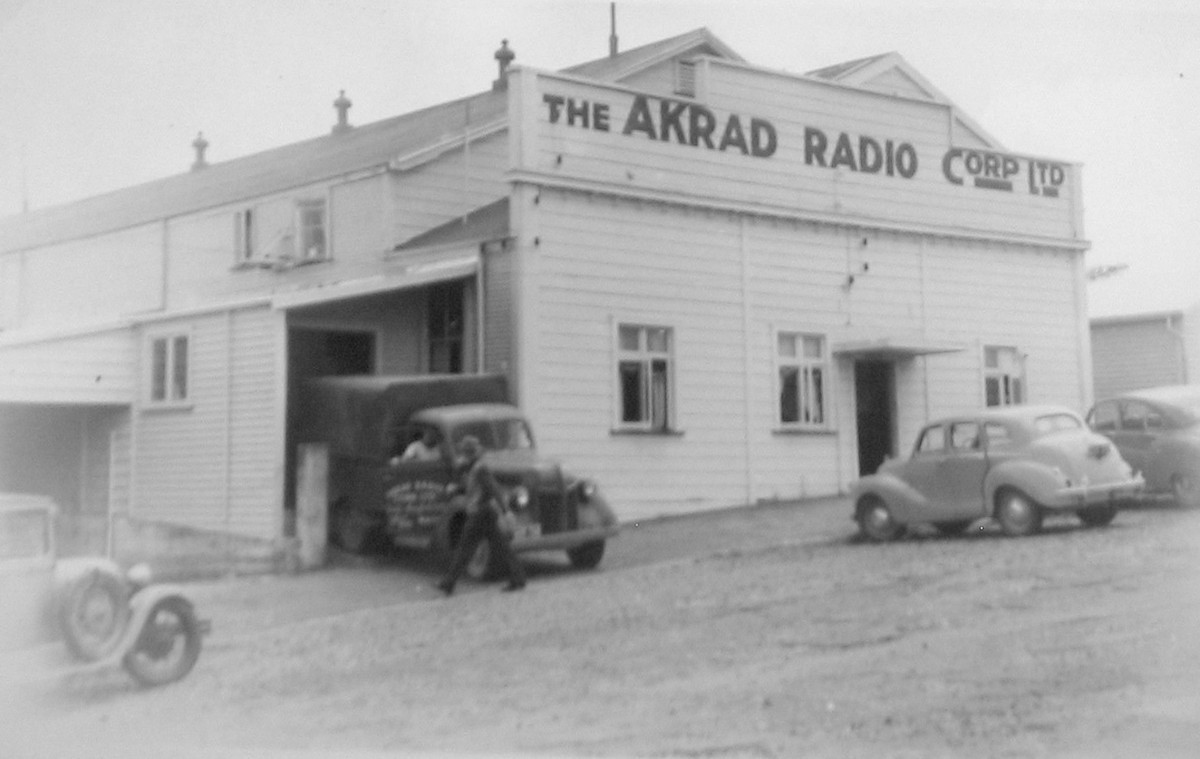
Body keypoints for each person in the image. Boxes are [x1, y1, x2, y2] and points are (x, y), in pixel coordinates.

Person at [436, 436, 526, 595]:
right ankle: (517, 578)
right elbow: (474, 488)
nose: (462, 457)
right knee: (501, 547)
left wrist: (506, 511)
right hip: (485, 513)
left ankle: (449, 583)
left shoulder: (480, 469)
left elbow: (493, 489)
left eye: (464, 453)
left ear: (468, 453)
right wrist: (457, 488)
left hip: (480, 513)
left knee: (465, 548)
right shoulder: (473, 468)